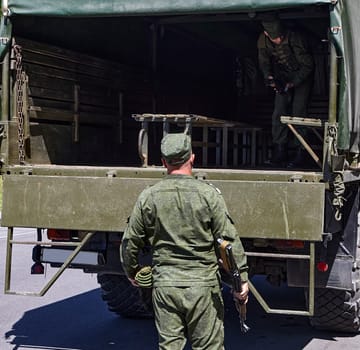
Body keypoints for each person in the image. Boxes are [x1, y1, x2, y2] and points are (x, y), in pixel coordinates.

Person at [121, 133, 249, 350]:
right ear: (192, 158)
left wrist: (133, 272)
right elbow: (228, 241)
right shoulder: (209, 195)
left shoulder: (148, 197)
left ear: (163, 162)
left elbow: (130, 241)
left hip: (165, 286)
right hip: (203, 287)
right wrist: (241, 280)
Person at [257, 16, 314, 167]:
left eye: (280, 37)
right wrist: (269, 78)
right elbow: (264, 62)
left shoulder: (295, 38)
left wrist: (292, 83)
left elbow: (308, 66)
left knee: (298, 112)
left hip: (301, 77)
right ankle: (280, 150)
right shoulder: (263, 40)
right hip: (282, 77)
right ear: (267, 34)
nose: (278, 40)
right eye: (275, 38)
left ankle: (301, 152)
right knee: (278, 113)